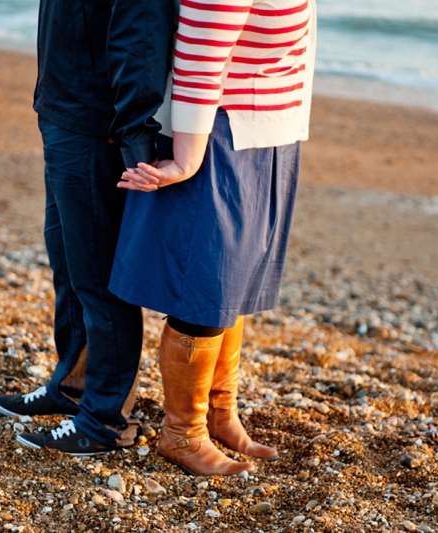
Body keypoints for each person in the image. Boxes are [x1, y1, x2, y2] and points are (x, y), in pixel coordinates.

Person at [110, 0, 316, 475]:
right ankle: (183, 432)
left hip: (264, 123)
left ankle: (219, 413)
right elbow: (203, 43)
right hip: (219, 129)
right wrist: (188, 156)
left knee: (233, 284)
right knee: (206, 287)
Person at [0, 0, 174, 455]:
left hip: (98, 124)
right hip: (60, 107)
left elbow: (143, 32)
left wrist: (134, 137)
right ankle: (72, 386)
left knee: (97, 278)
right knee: (68, 263)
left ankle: (106, 421)